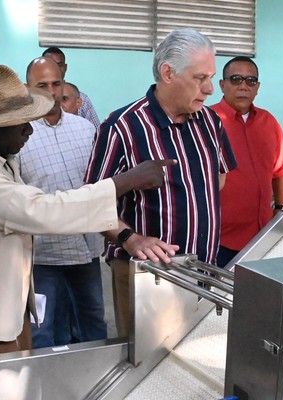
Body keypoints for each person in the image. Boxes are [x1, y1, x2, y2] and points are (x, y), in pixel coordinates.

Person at [0, 63, 177, 359]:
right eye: (21, 122)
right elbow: (39, 211)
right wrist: (125, 181)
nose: (30, 130)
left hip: (3, 299)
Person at [85, 28, 237, 337]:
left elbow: (218, 178)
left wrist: (191, 206)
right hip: (147, 276)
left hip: (204, 270)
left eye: (211, 77)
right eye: (199, 78)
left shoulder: (210, 122)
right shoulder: (123, 127)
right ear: (168, 73)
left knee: (197, 357)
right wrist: (131, 238)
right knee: (146, 364)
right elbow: (90, 203)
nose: (210, 89)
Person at [19, 57, 107, 348]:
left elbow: (97, 185)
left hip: (87, 250)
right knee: (42, 329)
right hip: (43, 255)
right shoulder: (20, 136)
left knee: (93, 321)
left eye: (56, 84)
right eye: (42, 85)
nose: (51, 91)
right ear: (27, 89)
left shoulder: (85, 130)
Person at [211, 56, 283, 266]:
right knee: (218, 296)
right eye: (236, 79)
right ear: (222, 84)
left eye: (250, 81)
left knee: (254, 296)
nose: (243, 86)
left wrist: (280, 209)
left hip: (261, 237)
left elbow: (281, 170)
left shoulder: (269, 122)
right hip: (218, 239)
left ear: (257, 87)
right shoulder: (207, 121)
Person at [42, 47, 101, 127]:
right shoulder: (32, 99)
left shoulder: (82, 98)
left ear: (65, 68)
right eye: (50, 65)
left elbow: (96, 133)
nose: (55, 69)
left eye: (59, 65)